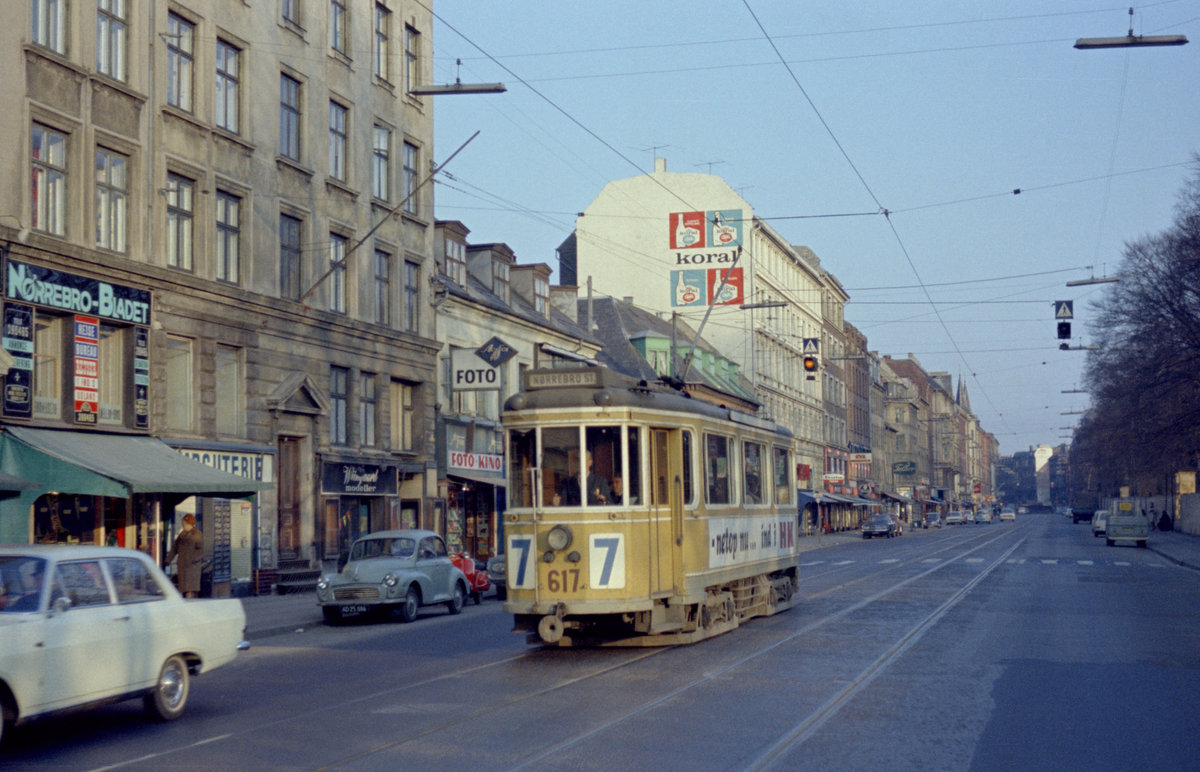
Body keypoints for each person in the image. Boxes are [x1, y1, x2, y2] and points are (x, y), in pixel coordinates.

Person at [164, 513, 204, 598]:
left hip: (192, 569)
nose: (183, 525)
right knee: (184, 590)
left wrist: (192, 560)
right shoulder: (182, 534)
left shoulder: (197, 534)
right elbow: (175, 548)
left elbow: (201, 551)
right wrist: (168, 560)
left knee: (190, 590)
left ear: (190, 524)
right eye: (183, 523)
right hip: (182, 566)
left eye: (184, 523)